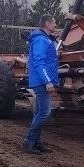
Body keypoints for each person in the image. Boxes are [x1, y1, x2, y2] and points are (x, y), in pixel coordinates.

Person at [23, 14, 59, 154]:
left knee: (39, 112)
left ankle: (36, 142)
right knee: (45, 112)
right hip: (41, 82)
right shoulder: (41, 40)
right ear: (47, 24)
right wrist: (47, 81)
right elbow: (39, 62)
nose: (56, 25)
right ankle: (29, 141)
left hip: (41, 81)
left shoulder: (44, 39)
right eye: (54, 23)